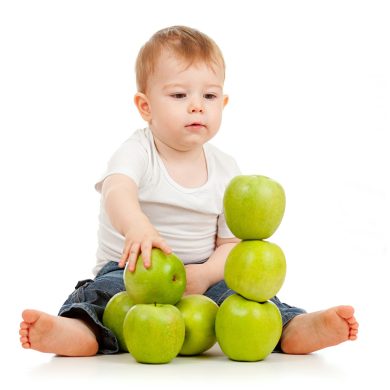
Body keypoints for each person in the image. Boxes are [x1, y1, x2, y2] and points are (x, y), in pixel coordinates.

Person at [19, 26, 358, 357]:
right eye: (179, 95)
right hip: (134, 272)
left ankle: (293, 328)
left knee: (251, 300)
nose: (197, 106)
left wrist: (207, 273)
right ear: (145, 106)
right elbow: (116, 190)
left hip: (203, 275)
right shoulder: (138, 151)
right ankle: (76, 331)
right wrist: (137, 226)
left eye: (209, 96)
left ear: (223, 103)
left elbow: (231, 244)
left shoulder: (226, 170)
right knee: (103, 297)